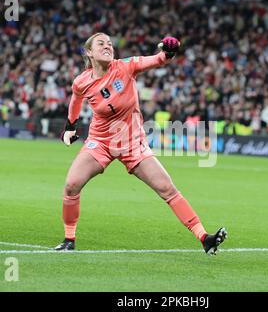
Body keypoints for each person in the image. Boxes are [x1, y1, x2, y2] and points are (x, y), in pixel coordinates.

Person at [55, 33, 227, 255]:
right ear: (89, 52)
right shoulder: (82, 82)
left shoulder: (126, 66)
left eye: (110, 44)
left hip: (132, 143)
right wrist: (70, 126)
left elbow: (157, 59)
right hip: (101, 141)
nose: (108, 46)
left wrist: (169, 51)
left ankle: (204, 238)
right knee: (71, 185)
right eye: (101, 44)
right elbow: (75, 102)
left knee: (167, 189)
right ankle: (69, 239)